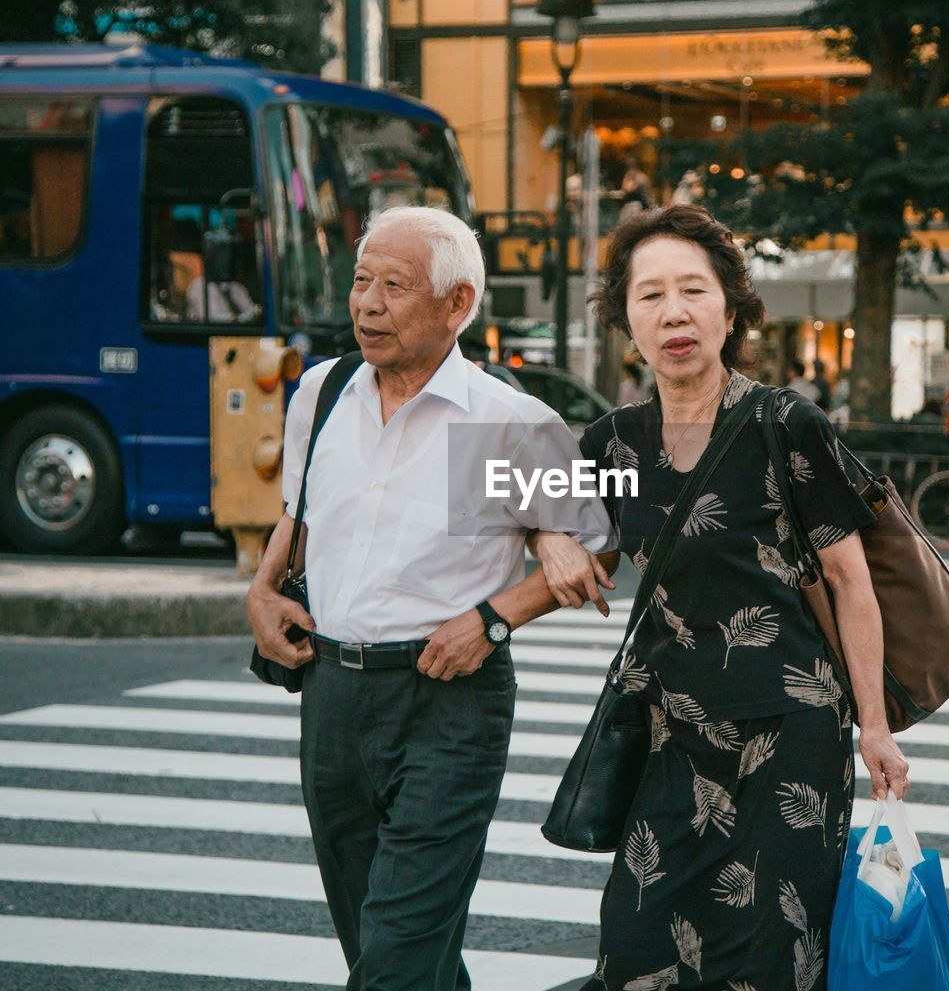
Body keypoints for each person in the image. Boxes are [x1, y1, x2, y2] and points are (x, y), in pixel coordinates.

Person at [531, 204, 909, 991]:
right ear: (625, 319)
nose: (674, 312)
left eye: (693, 290)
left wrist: (874, 727)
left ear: (730, 308)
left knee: (771, 957)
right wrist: (549, 538)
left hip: (791, 732)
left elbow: (851, 582)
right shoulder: (613, 443)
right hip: (673, 737)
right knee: (635, 945)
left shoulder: (785, 424)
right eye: (650, 295)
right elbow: (519, 504)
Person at [246, 206, 616, 991]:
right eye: (361, 281)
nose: (367, 303)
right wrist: (261, 588)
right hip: (332, 693)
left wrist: (496, 613)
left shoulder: (506, 422)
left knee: (399, 961)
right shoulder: (325, 388)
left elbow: (598, 541)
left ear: (458, 307)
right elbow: (299, 511)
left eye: (395, 286)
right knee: (385, 945)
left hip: (448, 699)